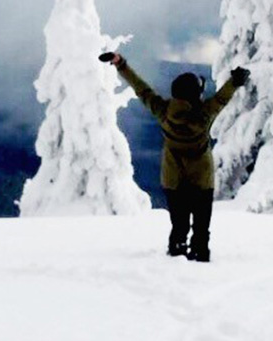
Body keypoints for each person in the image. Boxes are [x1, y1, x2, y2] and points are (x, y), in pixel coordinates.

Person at [107, 53, 250, 262]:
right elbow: (221, 98)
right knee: (201, 229)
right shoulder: (203, 114)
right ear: (194, 96)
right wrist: (235, 81)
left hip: (173, 180)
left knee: (179, 226)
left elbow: (142, 89)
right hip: (202, 180)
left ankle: (176, 254)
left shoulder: (163, 111)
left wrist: (121, 65)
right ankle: (200, 257)